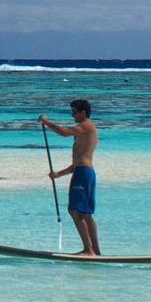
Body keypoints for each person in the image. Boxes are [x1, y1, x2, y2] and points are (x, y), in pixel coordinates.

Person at [39, 99, 100, 256]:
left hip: (83, 173)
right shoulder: (86, 129)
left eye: (74, 112)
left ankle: (88, 250)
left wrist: (46, 121)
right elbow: (78, 163)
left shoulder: (86, 126)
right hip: (84, 172)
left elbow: (64, 132)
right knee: (84, 213)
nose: (72, 115)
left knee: (74, 210)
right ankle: (95, 251)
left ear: (83, 112)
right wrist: (59, 174)